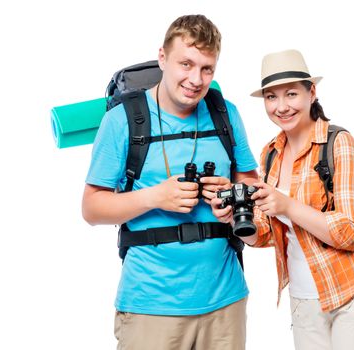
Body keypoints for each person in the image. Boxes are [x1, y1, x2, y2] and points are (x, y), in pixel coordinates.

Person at [82, 14, 258, 350]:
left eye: (207, 69)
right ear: (162, 58)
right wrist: (155, 197)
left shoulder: (226, 114)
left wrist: (230, 197)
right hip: (151, 306)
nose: (196, 79)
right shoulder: (122, 120)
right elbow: (91, 208)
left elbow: (250, 181)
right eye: (186, 64)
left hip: (226, 301)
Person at [211, 49, 354, 349]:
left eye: (291, 94)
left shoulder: (339, 144)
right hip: (304, 298)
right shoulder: (270, 153)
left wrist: (288, 206)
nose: (281, 107)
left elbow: (351, 232)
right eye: (271, 97)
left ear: (312, 92)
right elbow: (268, 233)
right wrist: (235, 218)